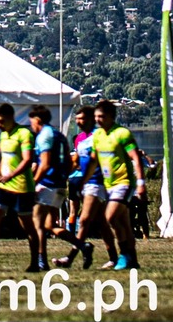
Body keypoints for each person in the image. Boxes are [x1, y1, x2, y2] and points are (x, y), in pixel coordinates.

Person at [0, 103, 38, 273]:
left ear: (11, 117)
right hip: (4, 187)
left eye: (1, 121)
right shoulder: (3, 136)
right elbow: (3, 162)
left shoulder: (24, 134)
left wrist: (11, 175)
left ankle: (35, 262)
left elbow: (27, 160)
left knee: (28, 227)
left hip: (22, 188)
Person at [90, 100, 145, 272]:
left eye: (102, 116)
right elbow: (93, 161)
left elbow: (136, 158)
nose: (98, 120)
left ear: (111, 117)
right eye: (96, 116)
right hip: (109, 184)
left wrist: (141, 183)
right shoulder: (98, 136)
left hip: (124, 183)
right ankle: (133, 259)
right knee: (124, 222)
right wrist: (84, 179)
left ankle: (124, 256)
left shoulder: (122, 133)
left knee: (111, 217)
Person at [29, 105, 82, 270]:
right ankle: (83, 246)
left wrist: (33, 183)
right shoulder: (59, 135)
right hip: (59, 184)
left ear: (37, 120)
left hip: (47, 183)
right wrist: (63, 177)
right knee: (50, 225)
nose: (31, 126)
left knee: (37, 223)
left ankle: (41, 261)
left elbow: (44, 164)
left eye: (32, 122)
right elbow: (69, 160)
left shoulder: (43, 136)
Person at [65, 104, 107, 268]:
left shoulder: (99, 135)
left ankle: (71, 257)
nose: (78, 122)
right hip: (83, 182)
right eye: (77, 119)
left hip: (97, 182)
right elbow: (77, 160)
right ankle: (115, 257)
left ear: (90, 119)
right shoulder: (80, 138)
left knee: (83, 220)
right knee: (103, 223)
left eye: (81, 119)